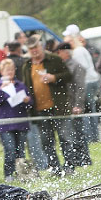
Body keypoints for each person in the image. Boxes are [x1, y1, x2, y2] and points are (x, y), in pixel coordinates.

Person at [23, 35, 78, 175]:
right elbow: (27, 86)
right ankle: (55, 168)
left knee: (65, 138)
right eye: (31, 48)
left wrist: (54, 78)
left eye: (35, 47)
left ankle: (69, 167)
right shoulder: (27, 65)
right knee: (46, 141)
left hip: (58, 106)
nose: (34, 50)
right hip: (40, 109)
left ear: (40, 46)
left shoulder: (54, 59)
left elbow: (69, 76)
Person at [0, 58, 31, 181]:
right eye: (7, 70)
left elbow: (29, 104)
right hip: (5, 125)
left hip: (21, 123)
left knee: (21, 151)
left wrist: (27, 100)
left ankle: (21, 173)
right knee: (10, 151)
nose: (10, 72)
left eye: (12, 69)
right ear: (1, 71)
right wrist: (1, 89)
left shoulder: (20, 85)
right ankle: (9, 174)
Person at [56, 42, 92, 168]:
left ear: (65, 52)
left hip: (74, 105)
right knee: (69, 134)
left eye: (59, 52)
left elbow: (80, 87)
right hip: (64, 106)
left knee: (78, 133)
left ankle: (84, 158)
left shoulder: (77, 66)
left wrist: (78, 105)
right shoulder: (61, 66)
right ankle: (75, 159)